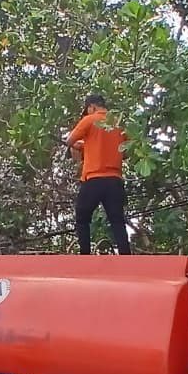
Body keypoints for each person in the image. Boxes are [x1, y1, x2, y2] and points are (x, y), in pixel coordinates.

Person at [66, 93, 131, 255]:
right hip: (115, 180)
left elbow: (69, 140)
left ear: (91, 107)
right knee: (117, 220)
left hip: (94, 179)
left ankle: (85, 255)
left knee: (82, 217)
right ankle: (126, 256)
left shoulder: (89, 120)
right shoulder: (117, 123)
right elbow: (126, 152)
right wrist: (87, 146)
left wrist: (79, 146)